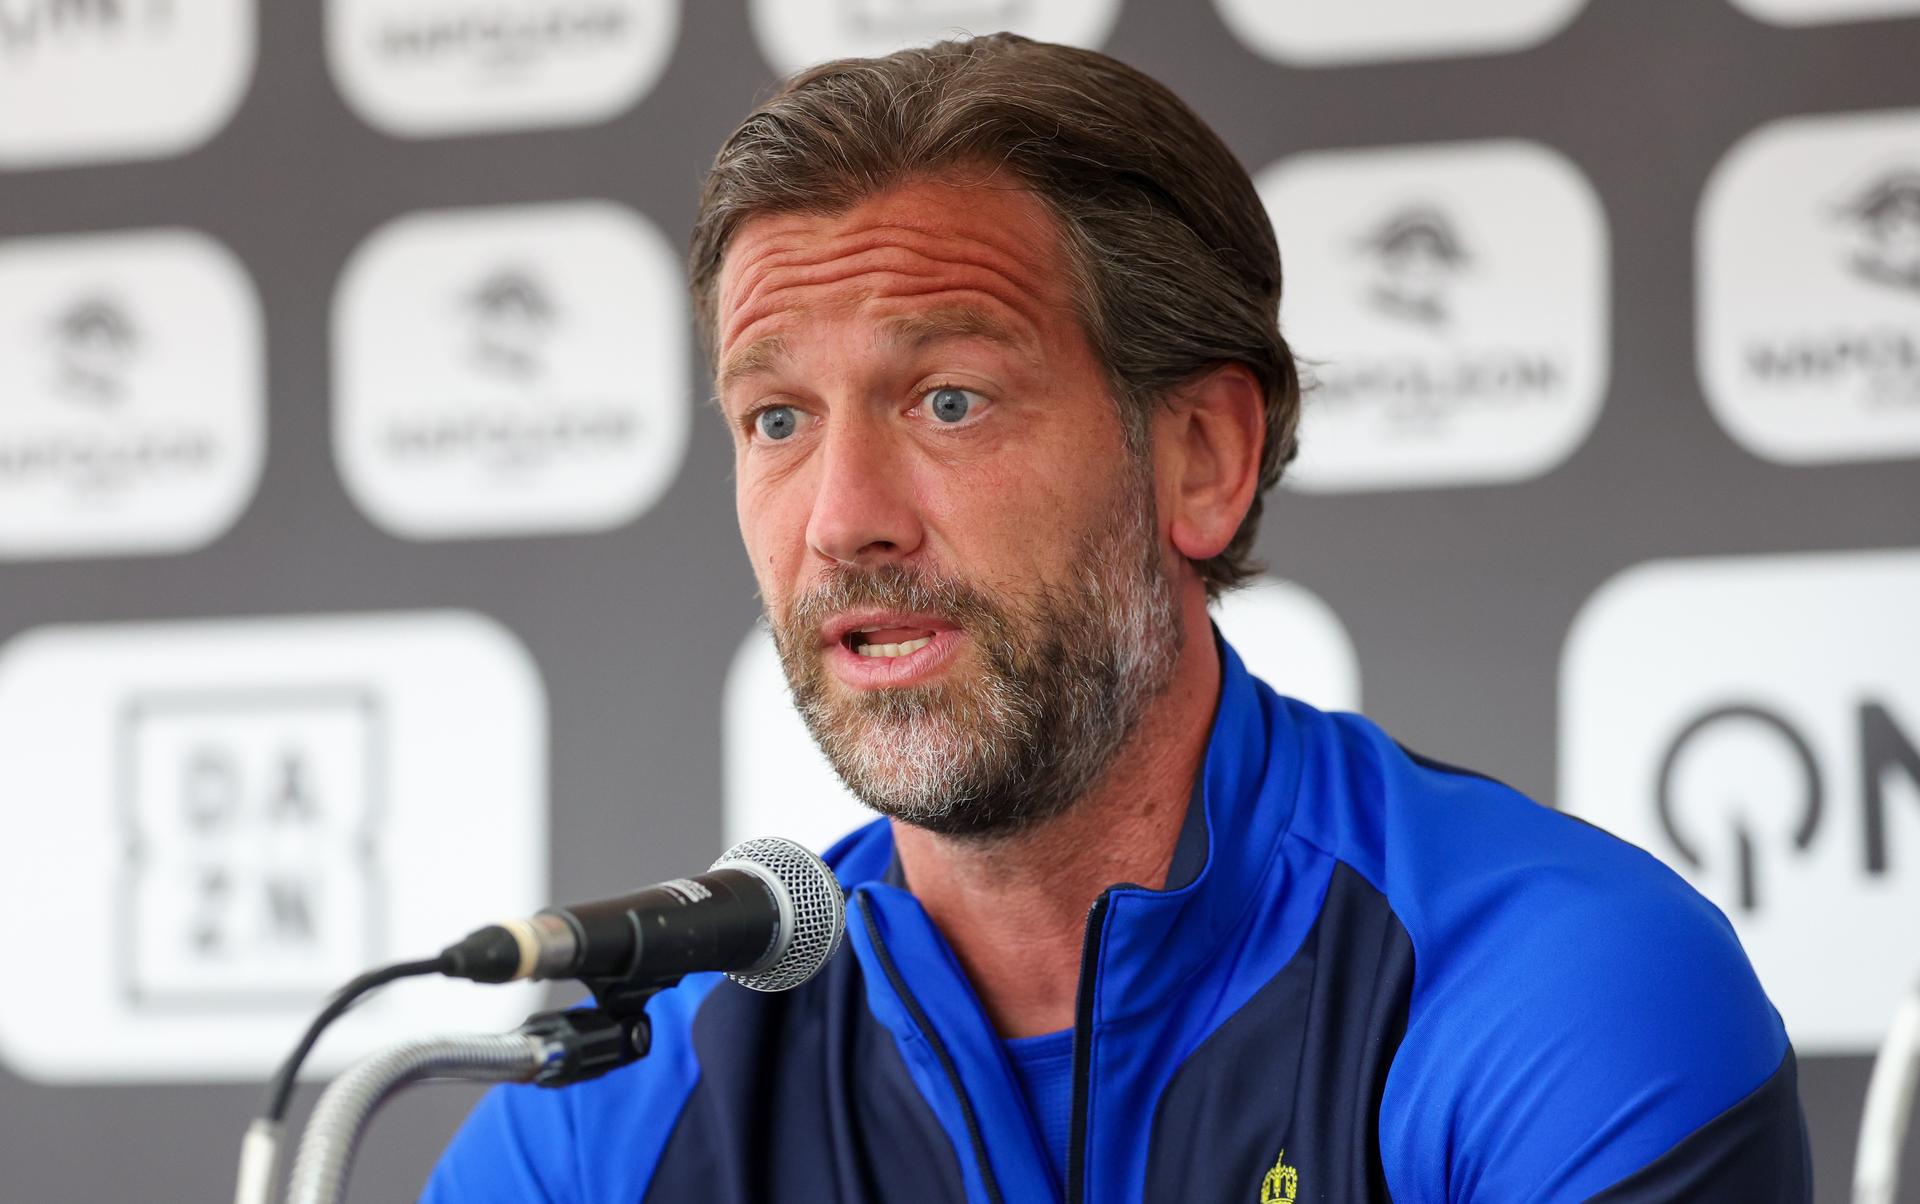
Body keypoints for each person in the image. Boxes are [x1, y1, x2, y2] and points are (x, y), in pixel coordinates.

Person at [426, 34, 1809, 1202]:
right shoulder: (632, 1093)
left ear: (1201, 454)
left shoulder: (1552, 989)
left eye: (947, 400)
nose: (843, 517)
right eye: (776, 418)